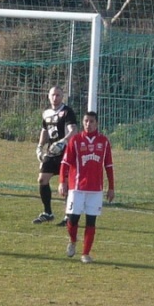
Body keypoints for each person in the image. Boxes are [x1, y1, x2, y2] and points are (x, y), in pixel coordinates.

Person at [57, 111, 115, 264]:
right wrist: (62, 181)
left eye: (92, 121)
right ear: (83, 123)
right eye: (86, 121)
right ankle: (73, 240)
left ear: (97, 123)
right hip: (76, 188)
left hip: (95, 190)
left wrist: (111, 187)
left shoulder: (104, 142)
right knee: (73, 219)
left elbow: (108, 165)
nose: (88, 124)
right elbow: (65, 163)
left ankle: (85, 253)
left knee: (91, 221)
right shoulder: (75, 140)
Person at [33, 86, 77, 225]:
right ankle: (48, 212)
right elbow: (44, 130)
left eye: (58, 95)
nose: (55, 97)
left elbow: (73, 130)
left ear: (62, 96)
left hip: (65, 152)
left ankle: (68, 216)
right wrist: (40, 146)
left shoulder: (67, 112)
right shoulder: (46, 113)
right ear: (48, 96)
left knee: (66, 184)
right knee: (42, 179)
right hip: (51, 152)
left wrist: (63, 142)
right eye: (53, 95)